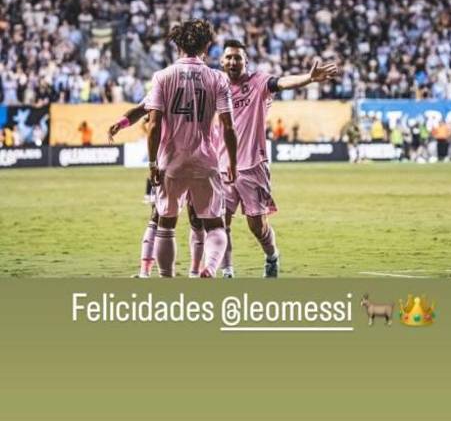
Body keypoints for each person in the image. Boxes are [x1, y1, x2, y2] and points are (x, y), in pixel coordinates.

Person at [218, 40, 338, 277]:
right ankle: (227, 272)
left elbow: (281, 82)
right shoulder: (216, 86)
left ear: (246, 62)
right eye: (229, 57)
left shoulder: (258, 82)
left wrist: (309, 78)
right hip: (222, 166)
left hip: (253, 166)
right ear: (222, 61)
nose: (233, 61)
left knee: (257, 226)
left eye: (237, 57)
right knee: (220, 222)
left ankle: (272, 256)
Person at [144, 19, 237, 278]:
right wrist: (232, 162)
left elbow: (153, 125)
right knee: (215, 224)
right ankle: (210, 267)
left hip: (171, 161)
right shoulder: (218, 78)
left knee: (166, 223)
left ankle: (166, 277)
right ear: (206, 46)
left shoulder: (162, 77)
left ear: (178, 46)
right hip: (205, 161)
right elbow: (228, 126)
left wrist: (152, 164)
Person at [108, 104, 207, 278]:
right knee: (159, 217)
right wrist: (121, 123)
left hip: (196, 162)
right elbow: (141, 109)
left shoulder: (204, 89)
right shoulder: (164, 89)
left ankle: (194, 273)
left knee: (194, 218)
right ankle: (145, 272)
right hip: (172, 163)